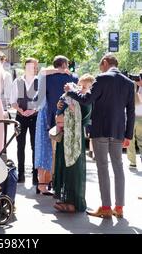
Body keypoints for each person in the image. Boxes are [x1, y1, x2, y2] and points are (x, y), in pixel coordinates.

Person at [64, 53, 135, 218]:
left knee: (102, 167)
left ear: (105, 62)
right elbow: (130, 111)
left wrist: (70, 91)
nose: (99, 67)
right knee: (118, 167)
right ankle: (119, 207)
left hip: (100, 130)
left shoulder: (101, 78)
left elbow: (87, 99)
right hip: (118, 131)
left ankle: (105, 207)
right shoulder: (129, 83)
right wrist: (128, 135)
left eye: (100, 64)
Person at [53, 74, 95, 213]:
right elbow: (62, 107)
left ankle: (73, 203)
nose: (81, 89)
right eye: (80, 85)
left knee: (73, 171)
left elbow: (82, 118)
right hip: (65, 136)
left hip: (75, 140)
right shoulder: (75, 97)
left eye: (85, 86)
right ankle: (65, 199)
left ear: (91, 88)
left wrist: (69, 108)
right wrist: (61, 106)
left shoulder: (88, 101)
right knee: (65, 168)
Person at [34, 65, 73, 194]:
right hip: (55, 116)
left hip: (45, 116)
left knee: (44, 149)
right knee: (51, 151)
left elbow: (37, 100)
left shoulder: (46, 79)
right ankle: (46, 183)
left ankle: (43, 183)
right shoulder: (68, 77)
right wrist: (60, 70)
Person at [10, 58, 39, 184]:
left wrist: (32, 111)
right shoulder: (18, 81)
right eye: (28, 66)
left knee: (34, 146)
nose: (30, 69)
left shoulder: (40, 82)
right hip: (20, 117)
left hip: (35, 117)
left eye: (33, 66)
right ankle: (21, 174)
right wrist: (22, 111)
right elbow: (13, 101)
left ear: (36, 68)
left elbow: (41, 101)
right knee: (20, 146)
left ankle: (35, 175)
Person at [127, 79, 142, 168]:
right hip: (139, 117)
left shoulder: (131, 91)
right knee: (140, 139)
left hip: (133, 117)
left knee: (130, 139)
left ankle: (132, 162)